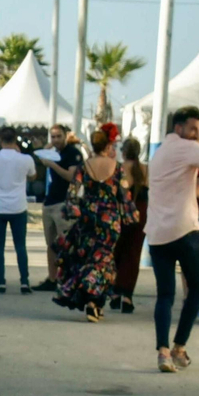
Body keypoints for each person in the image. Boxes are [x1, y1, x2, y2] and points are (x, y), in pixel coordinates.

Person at [146, 105, 199, 372]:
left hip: (157, 233)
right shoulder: (188, 148)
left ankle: (163, 351)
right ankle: (179, 346)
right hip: (185, 231)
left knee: (165, 295)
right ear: (178, 128)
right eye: (193, 128)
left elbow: (184, 187)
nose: (196, 134)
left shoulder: (159, 154)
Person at [50, 126, 134, 321]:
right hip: (110, 219)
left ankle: (93, 300)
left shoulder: (84, 166)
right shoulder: (117, 167)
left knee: (90, 258)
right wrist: (130, 214)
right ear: (108, 146)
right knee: (104, 259)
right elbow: (124, 193)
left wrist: (73, 209)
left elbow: (73, 191)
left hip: (88, 217)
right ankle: (93, 300)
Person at [0, 128, 36, 294]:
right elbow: (32, 176)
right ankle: (24, 281)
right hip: (18, 206)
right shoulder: (26, 159)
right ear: (16, 140)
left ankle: (1, 282)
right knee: (20, 245)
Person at [33, 123, 84, 289]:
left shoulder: (73, 153)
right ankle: (52, 278)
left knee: (67, 243)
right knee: (51, 244)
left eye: (58, 136)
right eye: (53, 137)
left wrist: (53, 165)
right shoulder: (54, 153)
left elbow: (71, 176)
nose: (55, 140)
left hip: (64, 202)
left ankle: (68, 279)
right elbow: (40, 157)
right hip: (50, 201)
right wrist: (48, 147)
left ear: (66, 136)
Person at [108, 136, 148, 313]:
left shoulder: (119, 168)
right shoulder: (146, 169)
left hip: (121, 210)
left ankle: (115, 291)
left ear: (123, 152)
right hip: (142, 211)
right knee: (134, 253)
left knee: (117, 250)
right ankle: (127, 295)